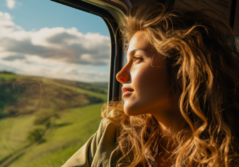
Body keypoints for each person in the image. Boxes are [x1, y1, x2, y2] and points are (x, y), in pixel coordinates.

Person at [62, 2, 239, 167]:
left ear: (182, 67)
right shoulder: (112, 134)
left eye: (137, 59)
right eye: (126, 60)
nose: (120, 75)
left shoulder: (230, 153)